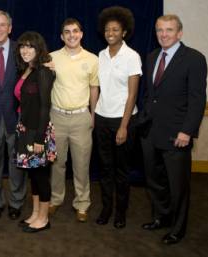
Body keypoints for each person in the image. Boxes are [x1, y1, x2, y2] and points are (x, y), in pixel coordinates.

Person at [140, 14, 207, 244]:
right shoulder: (151, 57)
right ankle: (161, 217)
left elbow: (197, 100)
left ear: (179, 33)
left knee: (178, 186)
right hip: (151, 133)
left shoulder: (194, 59)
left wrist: (187, 131)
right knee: (155, 181)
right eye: (159, 30)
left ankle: (178, 229)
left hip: (177, 135)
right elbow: (150, 94)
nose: (164, 34)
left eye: (169, 30)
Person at [94, 6, 142, 229]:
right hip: (102, 118)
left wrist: (124, 126)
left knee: (122, 170)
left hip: (123, 121)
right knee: (105, 168)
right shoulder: (101, 56)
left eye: (115, 29)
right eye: (107, 29)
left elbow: (133, 94)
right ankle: (106, 208)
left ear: (124, 32)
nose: (110, 32)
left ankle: (120, 212)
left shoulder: (132, 56)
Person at [49, 18, 99, 222]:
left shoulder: (93, 59)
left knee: (81, 164)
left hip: (81, 118)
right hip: (57, 117)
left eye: (75, 31)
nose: (72, 35)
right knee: (57, 164)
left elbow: (94, 88)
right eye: (67, 32)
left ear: (81, 34)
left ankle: (82, 203)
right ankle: (55, 199)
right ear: (62, 36)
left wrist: (92, 114)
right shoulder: (51, 58)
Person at [0, 10, 27, 220]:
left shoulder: (23, 50)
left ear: (10, 28)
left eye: (3, 25)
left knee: (16, 162)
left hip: (16, 116)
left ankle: (16, 202)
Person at [13, 31, 55, 233]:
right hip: (25, 128)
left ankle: (44, 219)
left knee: (41, 176)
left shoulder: (44, 72)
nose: (25, 50)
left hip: (38, 131)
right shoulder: (27, 70)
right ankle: (36, 213)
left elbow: (45, 106)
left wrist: (39, 137)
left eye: (30, 46)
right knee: (33, 175)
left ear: (39, 49)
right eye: (22, 46)